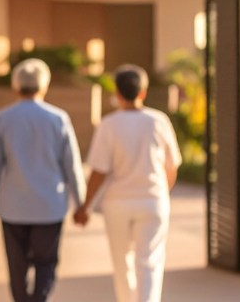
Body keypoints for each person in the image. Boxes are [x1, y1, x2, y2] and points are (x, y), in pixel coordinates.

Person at [74, 64, 181, 302]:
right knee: (149, 262)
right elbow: (171, 166)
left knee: (122, 262)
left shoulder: (109, 124)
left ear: (117, 93)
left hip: (118, 203)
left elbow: (98, 172)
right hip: (153, 200)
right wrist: (163, 193)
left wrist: (85, 206)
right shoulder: (158, 121)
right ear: (143, 92)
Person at [0, 59, 85, 302]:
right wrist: (81, 204)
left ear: (15, 86)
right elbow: (71, 164)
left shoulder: (2, 118)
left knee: (17, 268)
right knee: (46, 263)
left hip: (13, 208)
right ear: (44, 85)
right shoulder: (58, 118)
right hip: (49, 207)